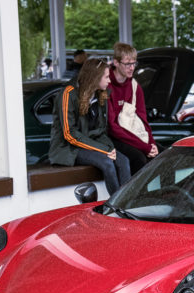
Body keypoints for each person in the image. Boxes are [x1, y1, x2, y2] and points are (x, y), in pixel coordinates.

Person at [49, 58, 130, 196]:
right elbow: (69, 134)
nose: (109, 80)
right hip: (68, 148)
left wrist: (110, 149)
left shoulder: (100, 94)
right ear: (94, 77)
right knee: (107, 163)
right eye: (106, 77)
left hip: (91, 144)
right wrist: (105, 150)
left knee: (123, 160)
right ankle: (117, 205)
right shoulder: (68, 93)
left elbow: (101, 131)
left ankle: (127, 202)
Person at [107, 42, 159, 176]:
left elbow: (143, 120)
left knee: (163, 155)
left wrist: (151, 144)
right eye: (127, 64)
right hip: (113, 138)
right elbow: (113, 128)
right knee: (139, 158)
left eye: (134, 63)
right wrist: (144, 147)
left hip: (134, 135)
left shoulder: (135, 86)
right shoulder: (106, 85)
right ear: (116, 63)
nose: (132, 68)